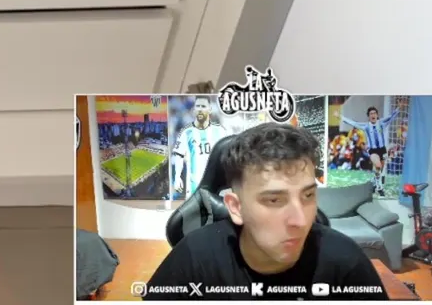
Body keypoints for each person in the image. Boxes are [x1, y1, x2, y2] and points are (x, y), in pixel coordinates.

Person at [144, 123, 387, 300]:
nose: (301, 221)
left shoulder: (347, 264)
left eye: (308, 195)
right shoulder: (193, 259)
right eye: (274, 200)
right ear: (236, 207)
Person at [171, 96, 228, 197]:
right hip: (194, 188)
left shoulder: (220, 131)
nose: (200, 110)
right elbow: (178, 155)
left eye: (203, 106)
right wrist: (177, 178)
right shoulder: (187, 132)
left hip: (215, 187)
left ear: (210, 109)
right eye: (198, 106)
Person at [340, 105, 398, 196]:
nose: (373, 115)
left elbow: (391, 117)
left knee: (380, 170)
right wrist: (341, 117)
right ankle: (380, 188)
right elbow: (353, 123)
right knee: (378, 166)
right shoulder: (366, 126)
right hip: (372, 150)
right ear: (369, 116)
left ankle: (374, 182)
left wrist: (399, 108)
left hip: (382, 150)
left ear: (377, 115)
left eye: (374, 113)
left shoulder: (382, 124)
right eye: (371, 114)